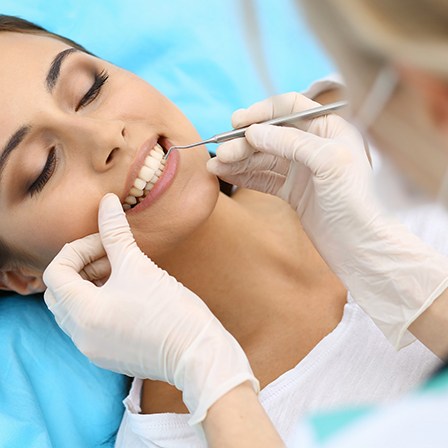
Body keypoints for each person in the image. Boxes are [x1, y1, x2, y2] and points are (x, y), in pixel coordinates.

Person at [1, 13, 443, 447]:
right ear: (21, 275)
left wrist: (401, 276)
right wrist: (207, 374)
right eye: (42, 168)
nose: (105, 138)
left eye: (88, 89)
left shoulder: (389, 116)